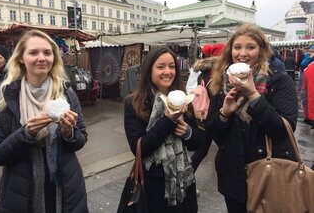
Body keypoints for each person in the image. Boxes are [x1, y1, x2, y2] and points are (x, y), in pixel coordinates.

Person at [0, 30, 88, 212]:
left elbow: (81, 140)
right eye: (33, 53)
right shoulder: (3, 99)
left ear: (54, 58)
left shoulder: (66, 93)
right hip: (20, 193)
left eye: (47, 53)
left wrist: (69, 133)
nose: (41, 58)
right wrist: (26, 134)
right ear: (20, 58)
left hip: (66, 188)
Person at [205, 23, 298, 212]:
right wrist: (224, 114)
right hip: (232, 177)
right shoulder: (218, 83)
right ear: (230, 50)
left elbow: (283, 130)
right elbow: (212, 130)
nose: (243, 53)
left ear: (262, 50)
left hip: (269, 174)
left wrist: (253, 95)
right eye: (237, 47)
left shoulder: (279, 81)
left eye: (250, 47)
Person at [124, 46, 200, 212]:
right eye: (160, 67)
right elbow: (139, 148)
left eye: (172, 66)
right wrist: (168, 120)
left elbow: (196, 143)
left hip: (183, 184)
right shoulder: (134, 103)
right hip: (153, 187)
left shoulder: (183, 99)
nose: (167, 71)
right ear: (149, 70)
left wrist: (188, 133)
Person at [188, 43, 225, 172]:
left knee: (201, 151)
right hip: (214, 118)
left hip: (202, 116)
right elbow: (218, 99)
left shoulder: (203, 73)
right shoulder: (219, 74)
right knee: (226, 149)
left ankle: (184, 181)